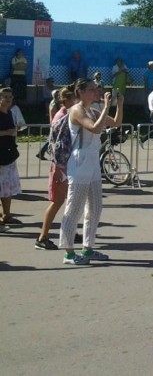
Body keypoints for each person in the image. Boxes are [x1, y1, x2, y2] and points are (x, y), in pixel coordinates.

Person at [59, 78, 125, 265]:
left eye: (96, 89)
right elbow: (95, 129)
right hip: (79, 163)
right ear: (80, 92)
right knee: (74, 208)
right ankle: (68, 252)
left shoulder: (93, 110)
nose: (95, 92)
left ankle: (88, 248)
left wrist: (118, 104)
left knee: (95, 207)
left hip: (93, 163)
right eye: (91, 89)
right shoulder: (77, 110)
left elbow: (116, 123)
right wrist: (105, 106)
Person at [35, 87, 77, 250]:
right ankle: (42, 237)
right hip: (60, 165)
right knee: (57, 201)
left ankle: (69, 230)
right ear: (65, 101)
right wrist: (59, 168)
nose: (76, 101)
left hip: (66, 164)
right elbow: (57, 144)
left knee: (69, 201)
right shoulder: (63, 116)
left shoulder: (67, 114)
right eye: (73, 98)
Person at [0, 87, 23, 228]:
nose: (7, 99)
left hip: (8, 155)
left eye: (10, 97)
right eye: (4, 96)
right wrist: (6, 132)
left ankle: (6, 215)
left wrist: (14, 131)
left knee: (7, 187)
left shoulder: (10, 113)